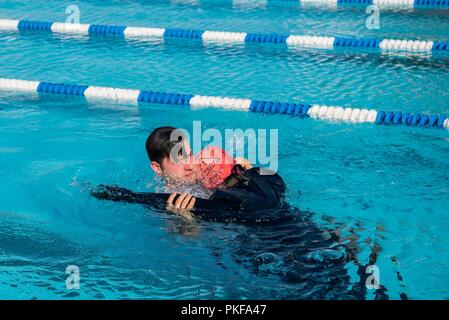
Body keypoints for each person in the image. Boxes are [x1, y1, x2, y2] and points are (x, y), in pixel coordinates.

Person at [145, 126, 251, 219]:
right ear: (157, 168)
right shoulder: (167, 203)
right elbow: (190, 239)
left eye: (190, 155)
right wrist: (186, 222)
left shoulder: (202, 173)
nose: (190, 166)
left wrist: (240, 172)